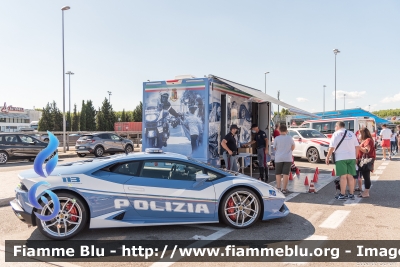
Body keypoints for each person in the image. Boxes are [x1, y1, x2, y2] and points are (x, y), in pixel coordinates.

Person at [326, 121, 360, 200]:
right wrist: (356, 157)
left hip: (340, 158)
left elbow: (331, 147)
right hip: (351, 157)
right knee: (351, 176)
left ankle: (342, 194)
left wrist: (327, 157)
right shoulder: (351, 133)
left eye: (335, 127)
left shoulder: (336, 134)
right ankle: (351, 194)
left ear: (337, 126)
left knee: (343, 177)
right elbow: (357, 147)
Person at [273, 124, 295, 194]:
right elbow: (293, 147)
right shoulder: (290, 138)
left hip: (278, 158)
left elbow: (274, 148)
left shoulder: (277, 138)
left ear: (279, 130)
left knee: (278, 173)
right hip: (287, 158)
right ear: (286, 130)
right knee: (286, 173)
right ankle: (284, 189)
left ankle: (278, 187)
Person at [357, 128, 376, 198]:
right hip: (364, 160)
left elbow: (367, 150)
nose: (359, 135)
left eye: (360, 133)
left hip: (366, 160)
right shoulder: (366, 140)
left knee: (366, 177)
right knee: (365, 176)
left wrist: (358, 147)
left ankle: (366, 192)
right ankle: (365, 192)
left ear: (363, 133)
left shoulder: (368, 140)